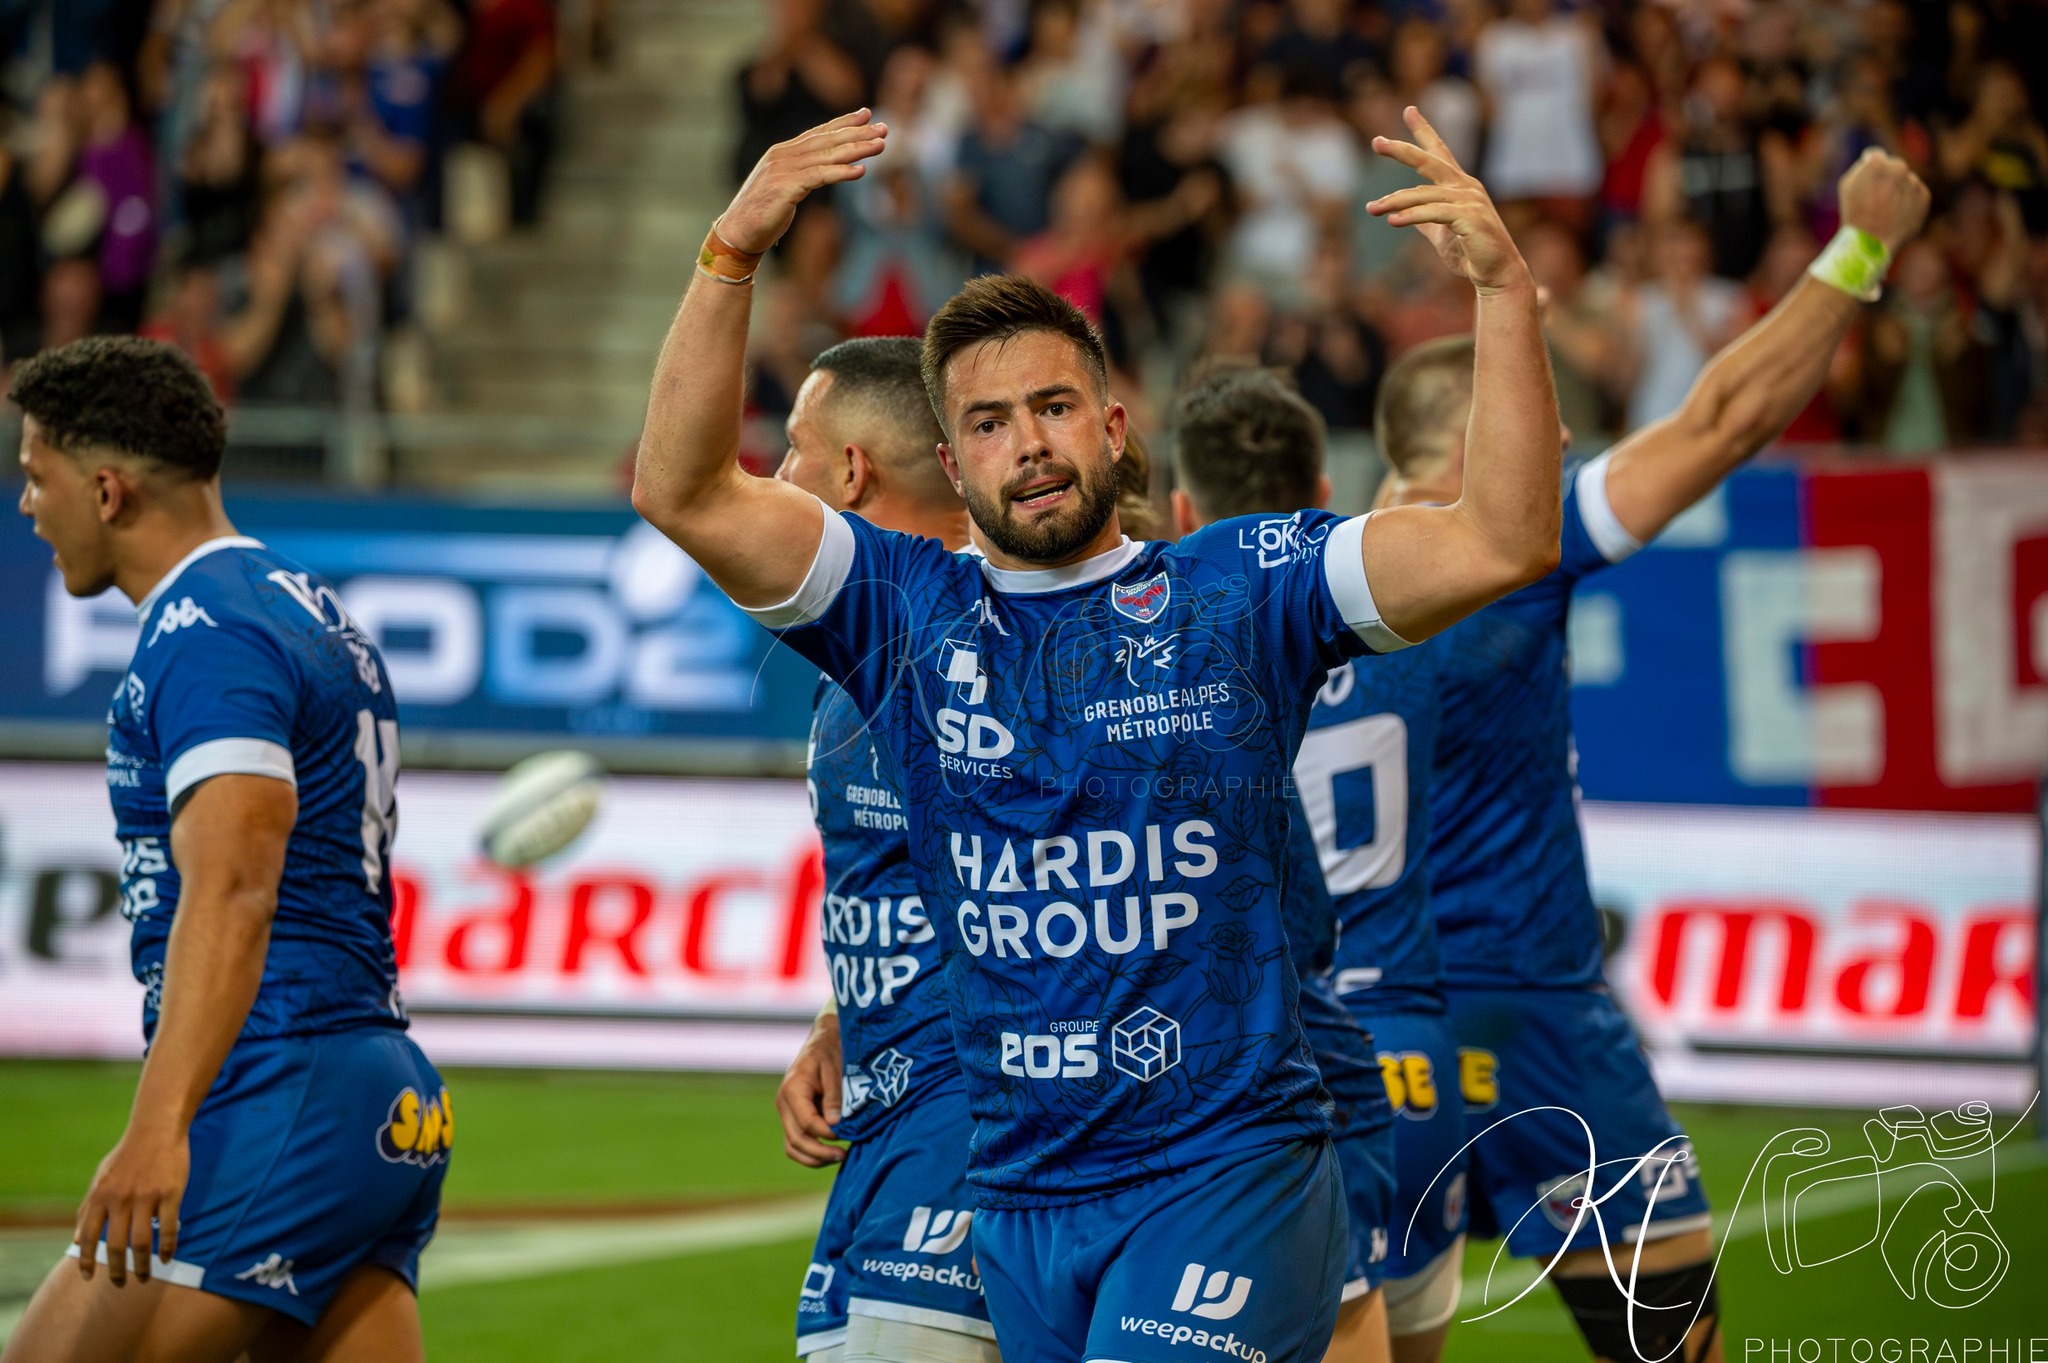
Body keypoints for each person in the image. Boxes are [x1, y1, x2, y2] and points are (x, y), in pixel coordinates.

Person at [632, 105, 1561, 1363]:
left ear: (1113, 426)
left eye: (1054, 407)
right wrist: (729, 254)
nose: (1029, 446)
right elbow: (679, 490)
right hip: (1017, 1197)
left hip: (1223, 1169)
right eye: (990, 423)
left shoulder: (1237, 591)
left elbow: (1501, 538)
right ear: (952, 469)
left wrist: (1503, 293)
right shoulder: (902, 612)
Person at [1371, 149, 1930, 1363]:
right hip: (1536, 1022)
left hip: (1361, 1040)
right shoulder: (1515, 537)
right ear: (1479, 436)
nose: (1559, 436)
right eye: (1536, 416)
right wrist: (1860, 248)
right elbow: (1722, 418)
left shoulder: (1297, 579)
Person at [5, 337, 444, 1362]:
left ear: (107, 489)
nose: (27, 506)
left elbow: (236, 888)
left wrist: (159, 1124)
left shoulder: (207, 633)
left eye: (37, 477)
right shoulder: (305, 609)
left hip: (277, 1082)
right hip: (378, 1088)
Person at [1168, 364, 1399, 1363]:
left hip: (1217, 1058)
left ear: (1180, 510)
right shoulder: (1403, 623)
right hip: (1348, 1029)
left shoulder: (1154, 648)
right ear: (1322, 499)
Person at [768, 337, 989, 1363]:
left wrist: (729, 258)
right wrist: (838, 1017)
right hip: (889, 1101)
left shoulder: (986, 634)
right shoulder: (858, 643)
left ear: (851, 471)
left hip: (975, 1113)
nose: (778, 477)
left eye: (791, 449)